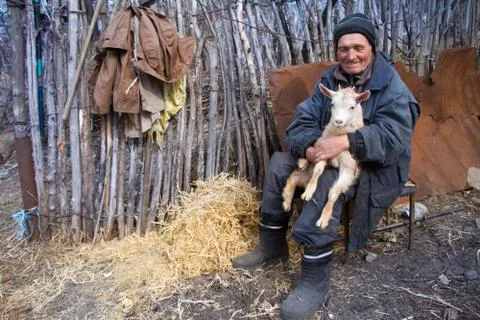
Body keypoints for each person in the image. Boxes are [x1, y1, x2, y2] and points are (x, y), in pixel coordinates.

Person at [232, 13, 420, 319]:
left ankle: (314, 278)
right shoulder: (330, 81)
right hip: (329, 154)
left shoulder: (391, 87)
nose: (351, 54)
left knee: (327, 182)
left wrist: (347, 142)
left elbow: (396, 136)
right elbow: (302, 121)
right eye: (343, 48)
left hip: (374, 166)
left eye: (358, 47)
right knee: (281, 163)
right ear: (336, 51)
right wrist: (310, 147)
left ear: (371, 47)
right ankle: (272, 245)